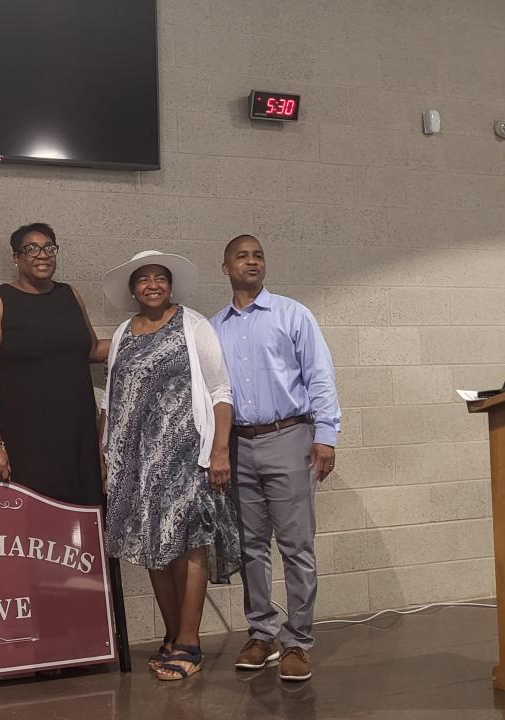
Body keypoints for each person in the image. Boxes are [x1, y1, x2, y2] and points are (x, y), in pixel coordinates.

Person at [100, 250, 241, 681]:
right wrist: (104, 452)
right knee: (151, 549)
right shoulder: (123, 332)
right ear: (133, 289)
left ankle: (190, 642)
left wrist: (219, 451)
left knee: (188, 545)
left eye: (160, 278)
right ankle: (170, 633)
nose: (152, 285)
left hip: (185, 456)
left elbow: (220, 390)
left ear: (170, 284)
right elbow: (111, 397)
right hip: (134, 461)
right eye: (143, 279)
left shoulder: (193, 325)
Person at [210, 234, 340, 682]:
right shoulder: (214, 327)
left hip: (290, 437)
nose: (252, 261)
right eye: (242, 256)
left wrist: (326, 436)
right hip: (238, 445)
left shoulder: (292, 314)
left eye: (258, 255)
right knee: (250, 547)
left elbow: (320, 376)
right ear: (225, 268)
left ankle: (298, 641)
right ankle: (261, 633)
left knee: (296, 546)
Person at [0, 222, 109, 505]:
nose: (42, 254)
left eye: (49, 248)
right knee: (35, 530)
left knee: (83, 522)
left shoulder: (70, 294)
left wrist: (141, 334)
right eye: (31, 248)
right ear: (16, 258)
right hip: (26, 440)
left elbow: (91, 349)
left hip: (77, 436)